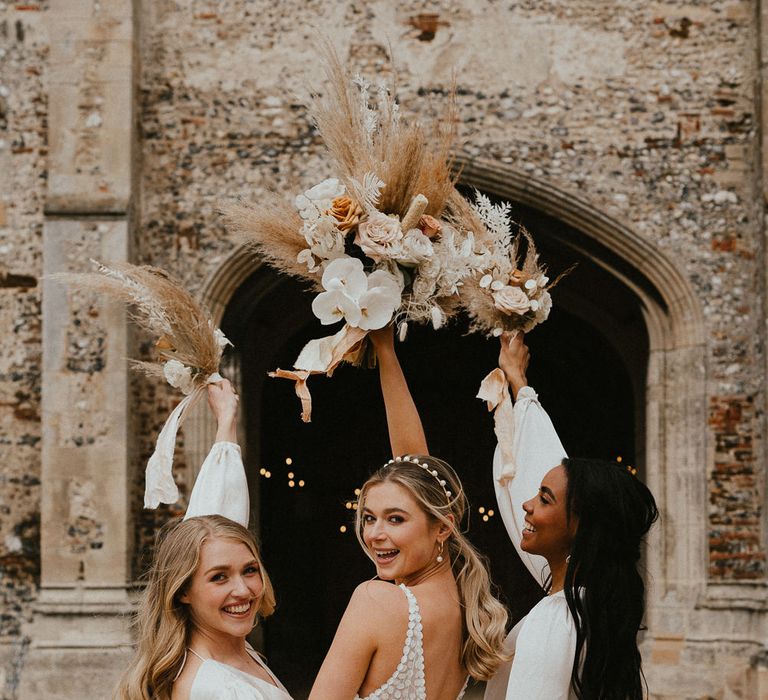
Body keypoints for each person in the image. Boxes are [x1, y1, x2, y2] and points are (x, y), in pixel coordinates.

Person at [309, 327, 509, 700]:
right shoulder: (462, 608)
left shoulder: (377, 601)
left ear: (443, 528)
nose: (374, 534)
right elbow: (416, 468)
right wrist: (386, 351)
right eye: (369, 517)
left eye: (395, 519)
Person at [483, 333, 659, 700]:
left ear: (580, 529)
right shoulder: (590, 604)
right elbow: (539, 461)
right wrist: (519, 385)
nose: (527, 505)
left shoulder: (555, 620)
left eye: (544, 499)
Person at [116, 380, 292, 700]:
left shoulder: (231, 651)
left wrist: (226, 423)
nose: (243, 590)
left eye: (249, 570)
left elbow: (220, 516)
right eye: (219, 577)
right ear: (183, 590)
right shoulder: (218, 689)